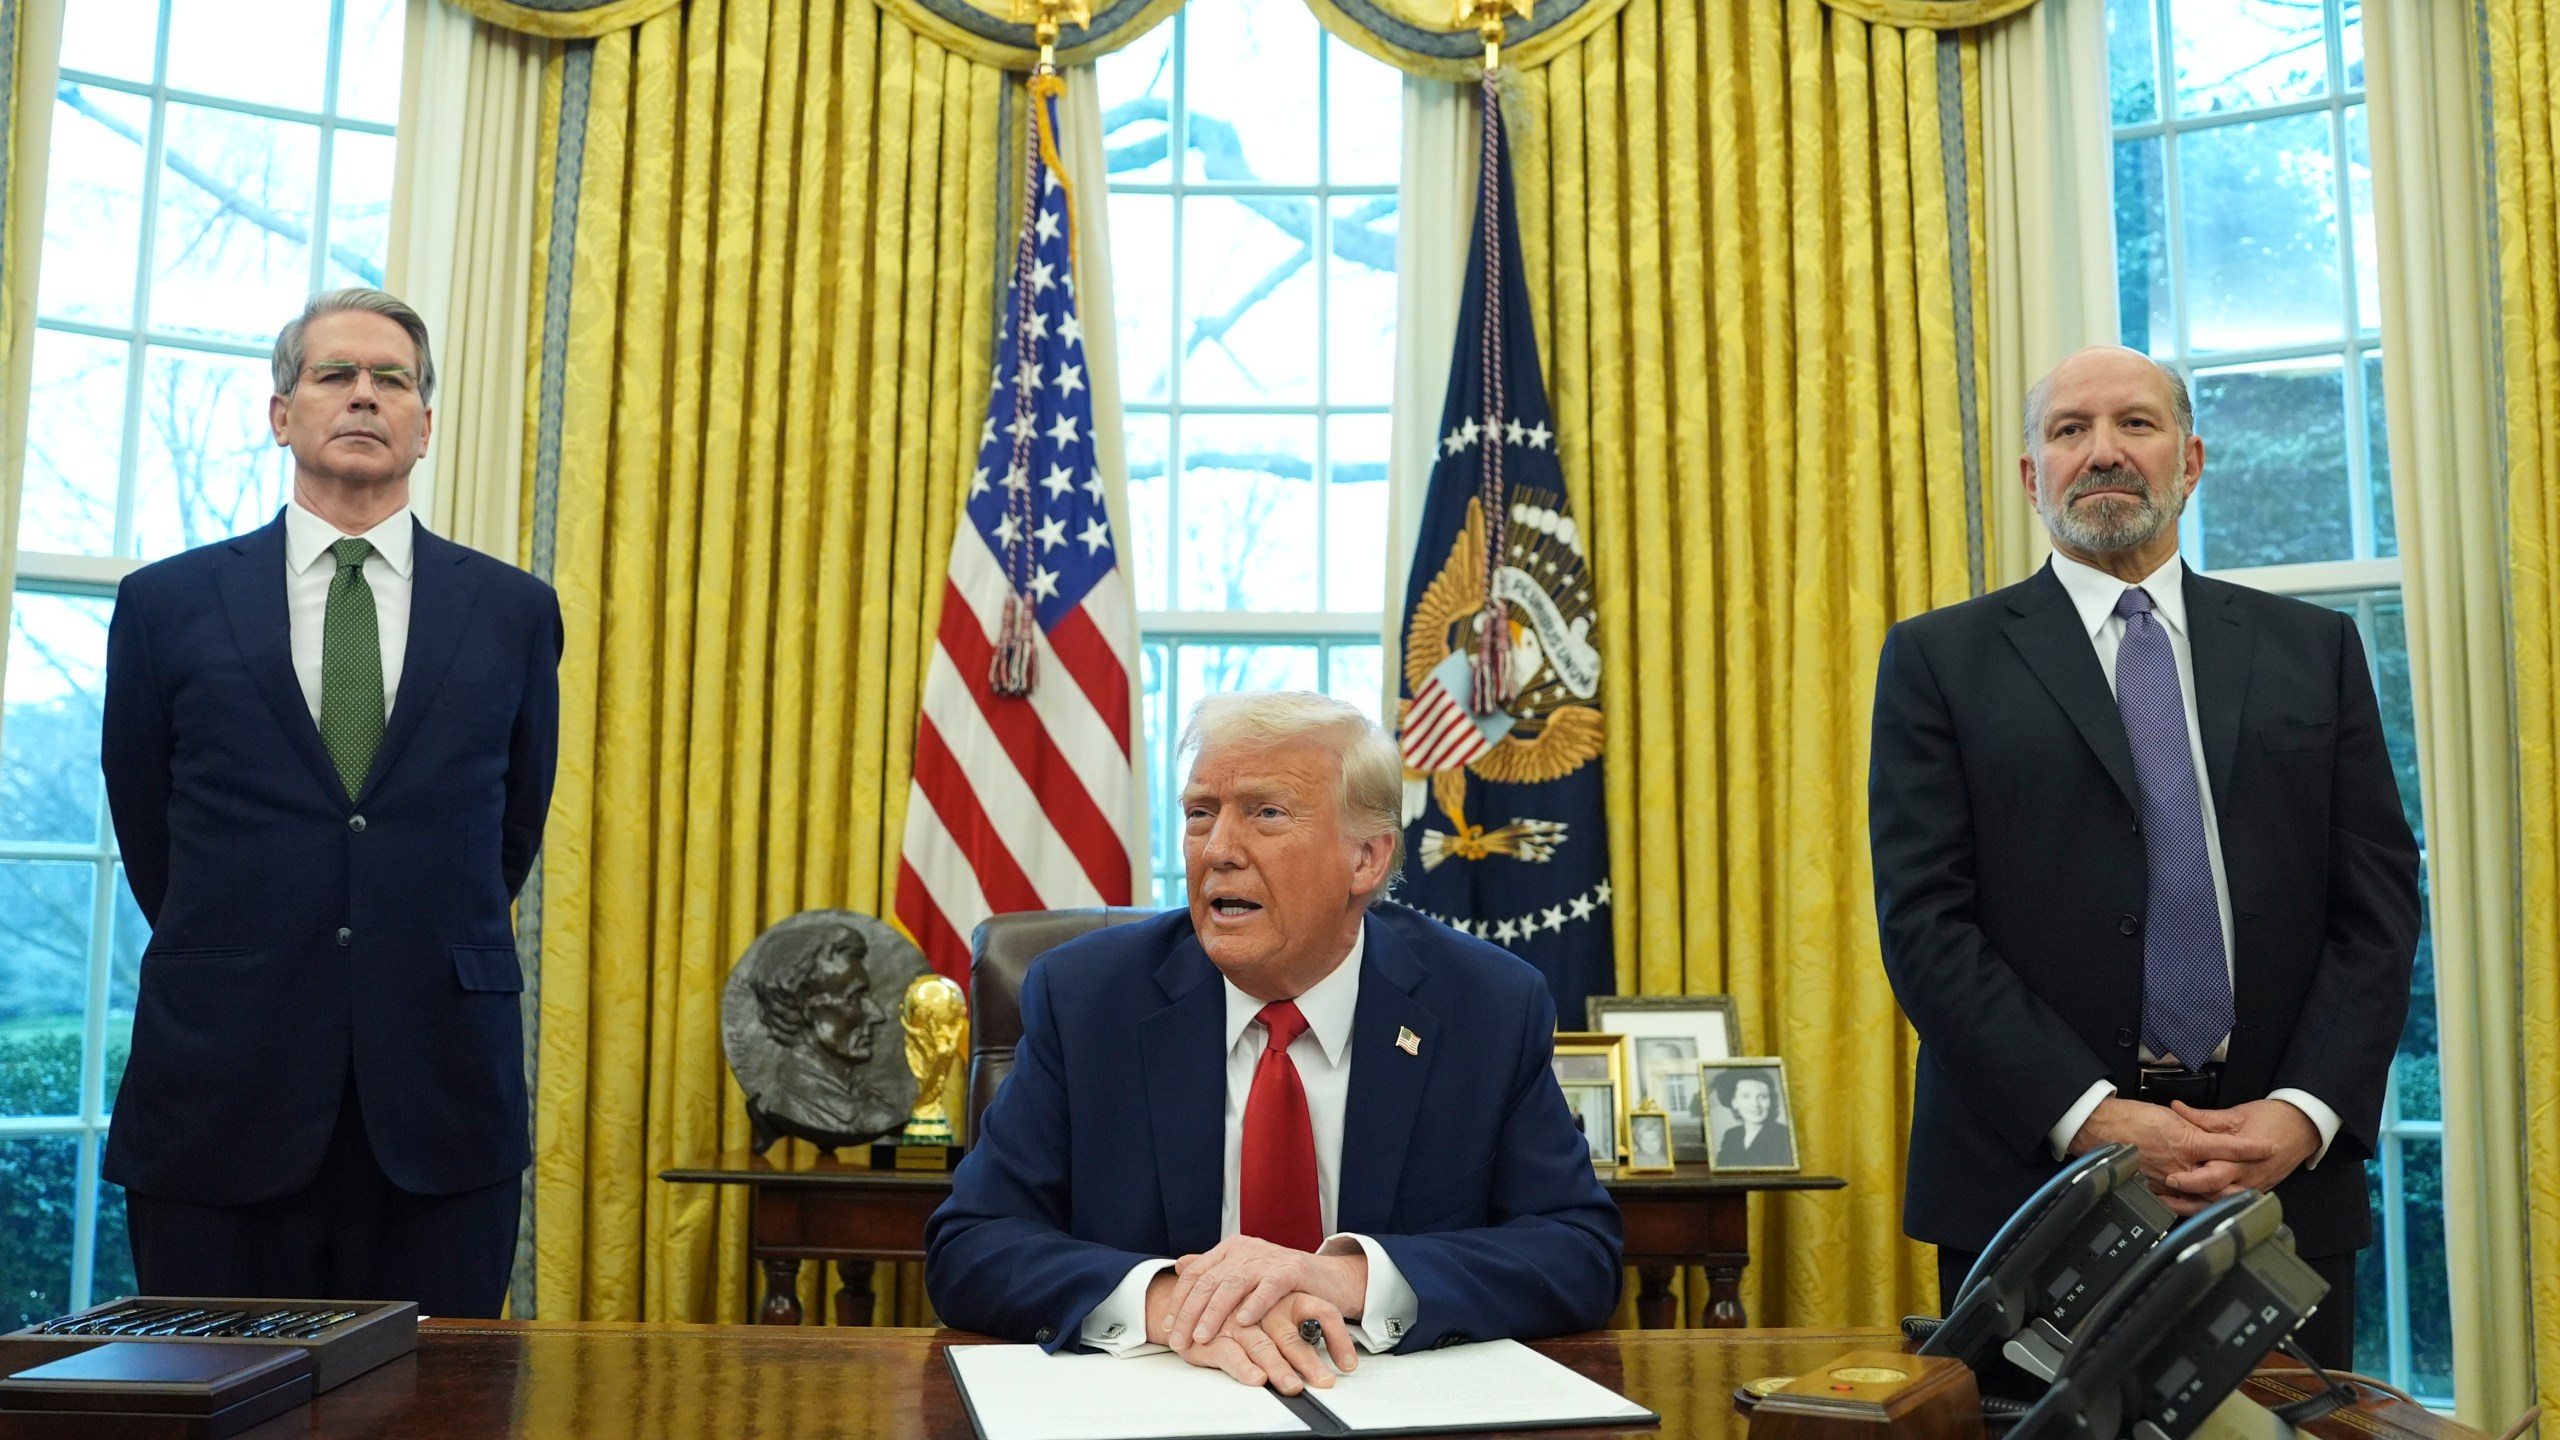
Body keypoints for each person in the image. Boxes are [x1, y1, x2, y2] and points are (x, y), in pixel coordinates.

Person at [1866, 345, 2419, 1367]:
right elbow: (1924, 926)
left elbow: (2376, 910)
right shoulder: (1939, 661)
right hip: (2031, 1187)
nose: (2102, 452)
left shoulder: (2314, 650)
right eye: (2069, 430)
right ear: (2033, 476)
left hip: (2282, 1183)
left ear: (2190, 460)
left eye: (2135, 424)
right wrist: (2089, 1118)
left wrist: (2303, 1114)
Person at [925, 691, 1621, 1392]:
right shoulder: (1086, 1000)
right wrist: (1173, 1304)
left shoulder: (1487, 1005)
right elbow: (973, 1244)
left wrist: (1342, 1278)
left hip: (1387, 1404)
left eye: (1267, 814)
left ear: (1367, 861)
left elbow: (1577, 1252)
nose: (1219, 850)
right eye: (1201, 813)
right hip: (1162, 1405)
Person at [100, 288, 562, 1317]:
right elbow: (150, 831)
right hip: (221, 1093)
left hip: (439, 1105)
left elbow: (509, 832)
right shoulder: (166, 606)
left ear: (425, 425)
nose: (365, 395)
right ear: (282, 414)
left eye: (392, 379)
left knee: (439, 1416)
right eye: (334, 375)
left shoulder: (513, 613)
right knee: (213, 1404)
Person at [1710, 1071, 1792, 1168]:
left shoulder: (1783, 1135)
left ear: (1771, 1101)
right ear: (1734, 1102)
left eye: (1763, 1097)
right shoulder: (1731, 1135)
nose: (1755, 1104)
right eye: (1746, 1096)